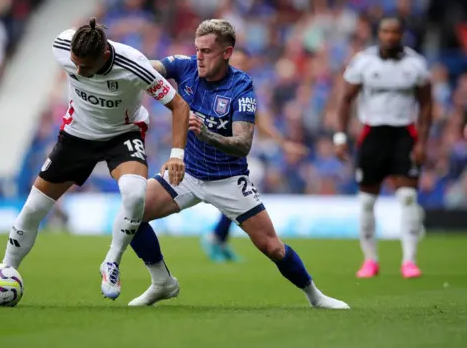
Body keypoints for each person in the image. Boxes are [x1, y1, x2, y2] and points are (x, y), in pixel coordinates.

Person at [124, 19, 349, 309]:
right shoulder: (186, 66)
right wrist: (116, 58)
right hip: (188, 173)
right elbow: (147, 66)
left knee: (272, 246)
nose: (200, 57)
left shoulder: (241, 87)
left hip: (228, 178)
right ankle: (161, 282)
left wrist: (206, 132)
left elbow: (244, 143)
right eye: (197, 49)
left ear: (227, 52)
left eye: (207, 51)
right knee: (133, 213)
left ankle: (315, 297)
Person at [0, 18, 190, 301]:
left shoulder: (135, 65)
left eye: (84, 66)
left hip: (122, 135)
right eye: (75, 64)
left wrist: (176, 155)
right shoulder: (62, 45)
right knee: (33, 208)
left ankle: (111, 261)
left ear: (103, 56)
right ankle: (5, 273)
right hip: (77, 136)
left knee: (135, 195)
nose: (77, 70)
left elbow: (179, 105)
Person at [334, 17, 432, 279]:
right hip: (372, 135)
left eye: (395, 32)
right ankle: (370, 261)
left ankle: (409, 261)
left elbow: (426, 106)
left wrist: (422, 142)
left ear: (402, 34)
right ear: (379, 34)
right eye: (385, 31)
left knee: (408, 198)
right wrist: (340, 137)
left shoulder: (416, 64)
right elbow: (345, 100)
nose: (390, 36)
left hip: (404, 134)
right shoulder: (364, 62)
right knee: (367, 201)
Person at [200, 48, 309, 263]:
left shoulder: (245, 89)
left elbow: (261, 121)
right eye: (235, 61)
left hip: (235, 151)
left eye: (243, 62)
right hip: (211, 150)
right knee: (241, 186)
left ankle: (218, 237)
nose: (238, 65)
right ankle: (217, 236)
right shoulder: (211, 85)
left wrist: (284, 144)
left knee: (245, 186)